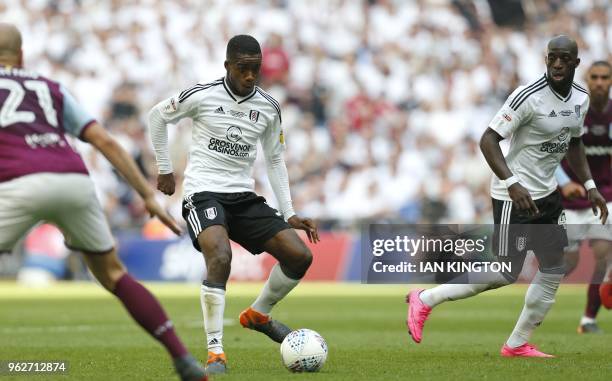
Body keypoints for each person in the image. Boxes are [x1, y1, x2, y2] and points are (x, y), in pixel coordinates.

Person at [0, 23, 207, 381]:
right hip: (75, 179)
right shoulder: (51, 89)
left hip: (20, 183)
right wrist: (147, 195)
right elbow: (105, 141)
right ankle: (183, 359)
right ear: (21, 55)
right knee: (113, 274)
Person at [405, 35, 608, 358]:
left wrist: (590, 185)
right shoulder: (527, 96)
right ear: (545, 60)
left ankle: (516, 343)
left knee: (555, 267)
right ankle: (425, 299)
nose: (557, 64)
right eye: (552, 57)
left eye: (564, 59)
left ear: (575, 64)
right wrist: (512, 182)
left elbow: (574, 143)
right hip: (514, 195)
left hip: (548, 195)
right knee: (505, 272)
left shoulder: (580, 99)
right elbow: (488, 140)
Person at [148, 34, 319, 374]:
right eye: (243, 69)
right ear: (227, 66)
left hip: (242, 196)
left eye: (256, 69)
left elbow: (274, 161)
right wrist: (165, 169)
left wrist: (290, 213)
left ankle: (258, 314)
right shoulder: (202, 95)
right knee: (220, 256)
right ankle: (215, 353)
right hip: (203, 193)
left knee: (300, 256)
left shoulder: (269, 107)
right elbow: (157, 117)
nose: (251, 76)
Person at [556, 60, 612, 334]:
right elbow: (549, 152)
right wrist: (565, 183)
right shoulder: (574, 110)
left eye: (605, 77)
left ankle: (588, 319)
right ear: (587, 80)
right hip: (571, 197)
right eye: (595, 77)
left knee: (603, 255)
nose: (600, 82)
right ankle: (535, 299)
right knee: (569, 262)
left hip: (604, 196)